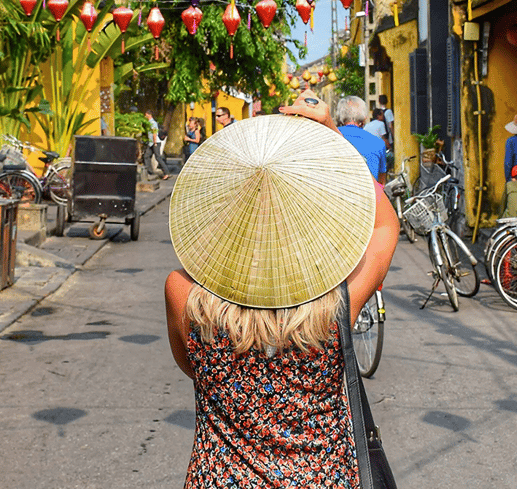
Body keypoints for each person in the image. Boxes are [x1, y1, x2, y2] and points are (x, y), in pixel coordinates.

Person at [165, 89, 399, 488]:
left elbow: (192, 369)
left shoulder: (182, 292)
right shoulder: (336, 304)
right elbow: (383, 226)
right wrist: (331, 135)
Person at [336, 96, 387, 183]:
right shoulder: (378, 143)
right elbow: (381, 181)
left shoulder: (331, 136)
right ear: (364, 117)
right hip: (368, 194)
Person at [143, 110, 171, 181]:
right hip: (151, 143)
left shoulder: (153, 123)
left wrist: (155, 142)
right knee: (146, 156)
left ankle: (166, 172)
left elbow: (154, 132)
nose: (145, 116)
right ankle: (149, 171)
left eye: (146, 114)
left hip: (155, 142)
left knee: (158, 157)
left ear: (148, 115)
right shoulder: (149, 122)